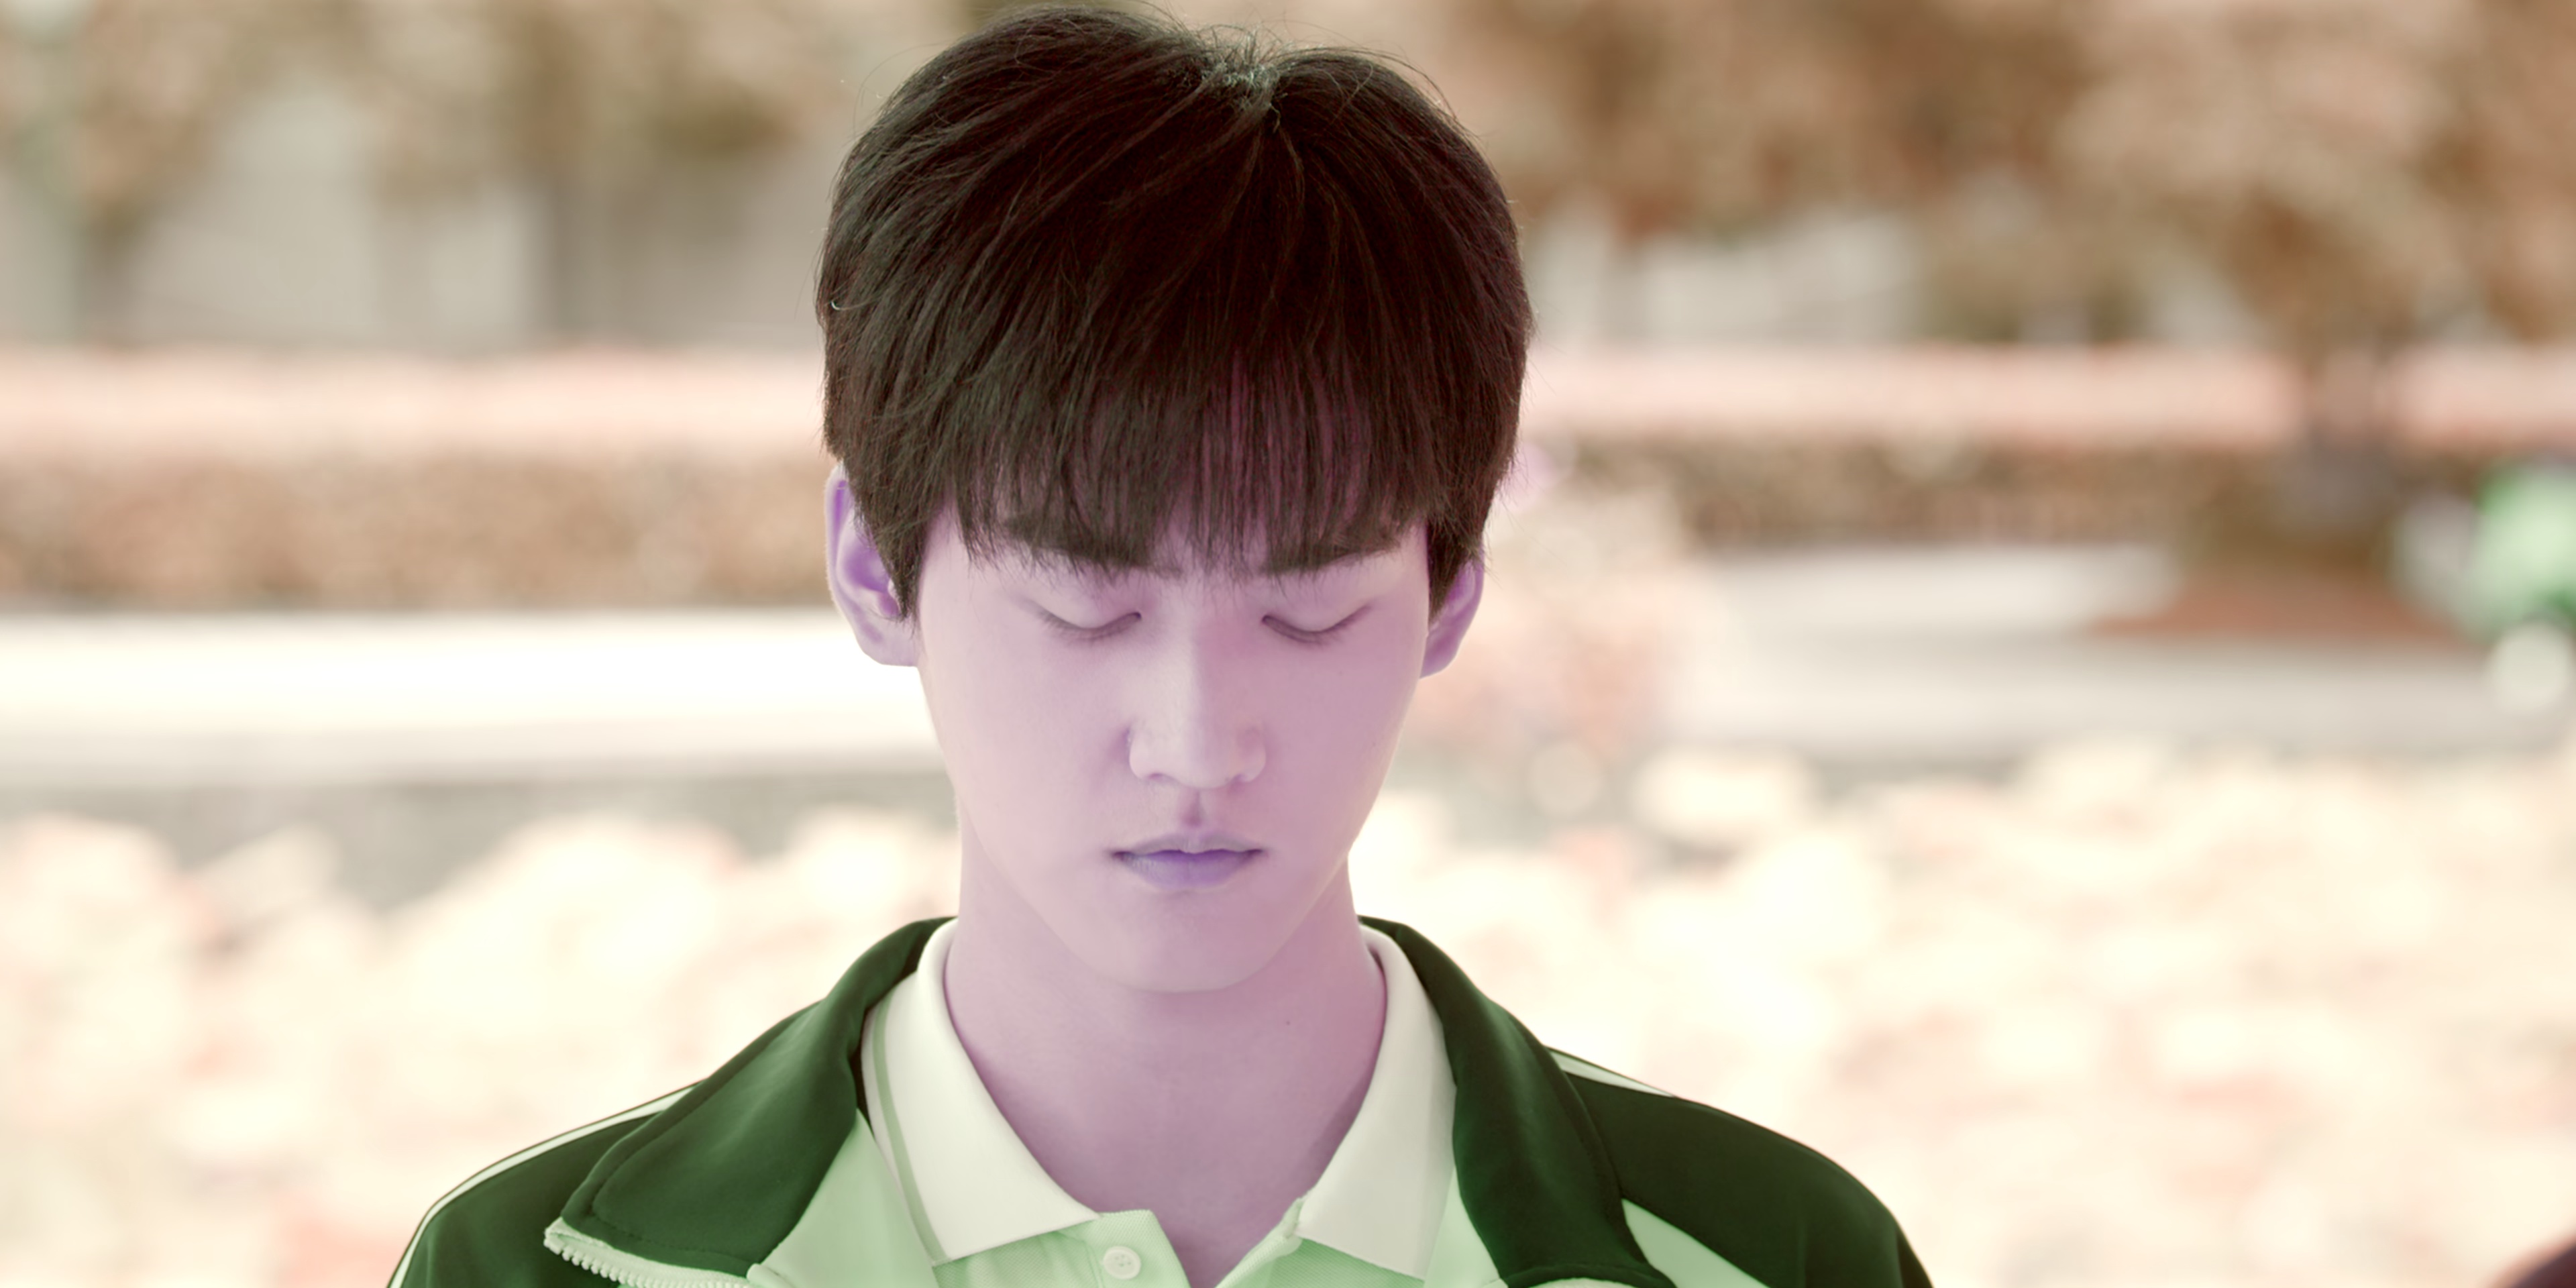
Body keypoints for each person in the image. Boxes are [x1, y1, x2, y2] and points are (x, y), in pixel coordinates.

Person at [388, 8, 1931, 1287]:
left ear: (1452, 592)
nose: (1197, 740)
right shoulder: (532, 1269)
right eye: (1084, 602)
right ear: (873, 570)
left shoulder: (1772, 1259)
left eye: (1309, 607)